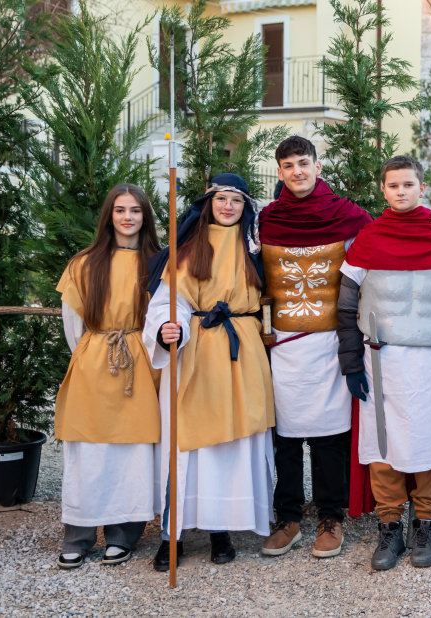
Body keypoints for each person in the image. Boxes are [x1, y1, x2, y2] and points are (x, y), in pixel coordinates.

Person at [336, 155, 431, 570]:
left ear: (422, 187)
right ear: (383, 190)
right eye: (393, 185)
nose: (401, 191)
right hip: (383, 357)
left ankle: (427, 522)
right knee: (383, 441)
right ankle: (390, 526)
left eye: (408, 185)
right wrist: (351, 362)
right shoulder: (368, 240)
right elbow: (346, 306)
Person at [143, 173, 275, 571]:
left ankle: (222, 529)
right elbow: (172, 299)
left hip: (242, 350)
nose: (228, 206)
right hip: (195, 350)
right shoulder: (186, 249)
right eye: (221, 198)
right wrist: (172, 327)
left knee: (231, 448)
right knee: (186, 445)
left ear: (246, 206)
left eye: (237, 199)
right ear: (207, 204)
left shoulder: (256, 248)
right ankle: (173, 534)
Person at [256, 136, 371, 559]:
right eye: (287, 165)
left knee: (329, 436)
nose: (297, 172)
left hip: (329, 342)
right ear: (280, 172)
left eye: (303, 163)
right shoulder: (266, 220)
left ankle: (330, 517)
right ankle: (287, 517)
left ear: (318, 166)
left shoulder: (349, 216)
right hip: (281, 343)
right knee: (283, 436)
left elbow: (384, 249)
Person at [54, 184, 162, 569]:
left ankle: (122, 535)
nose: (128, 217)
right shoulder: (84, 263)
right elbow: (73, 324)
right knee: (88, 453)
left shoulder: (157, 263)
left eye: (135, 210)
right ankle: (78, 536)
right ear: (109, 215)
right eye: (120, 210)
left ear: (145, 216)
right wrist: (92, 355)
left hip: (140, 360)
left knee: (131, 454)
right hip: (96, 360)